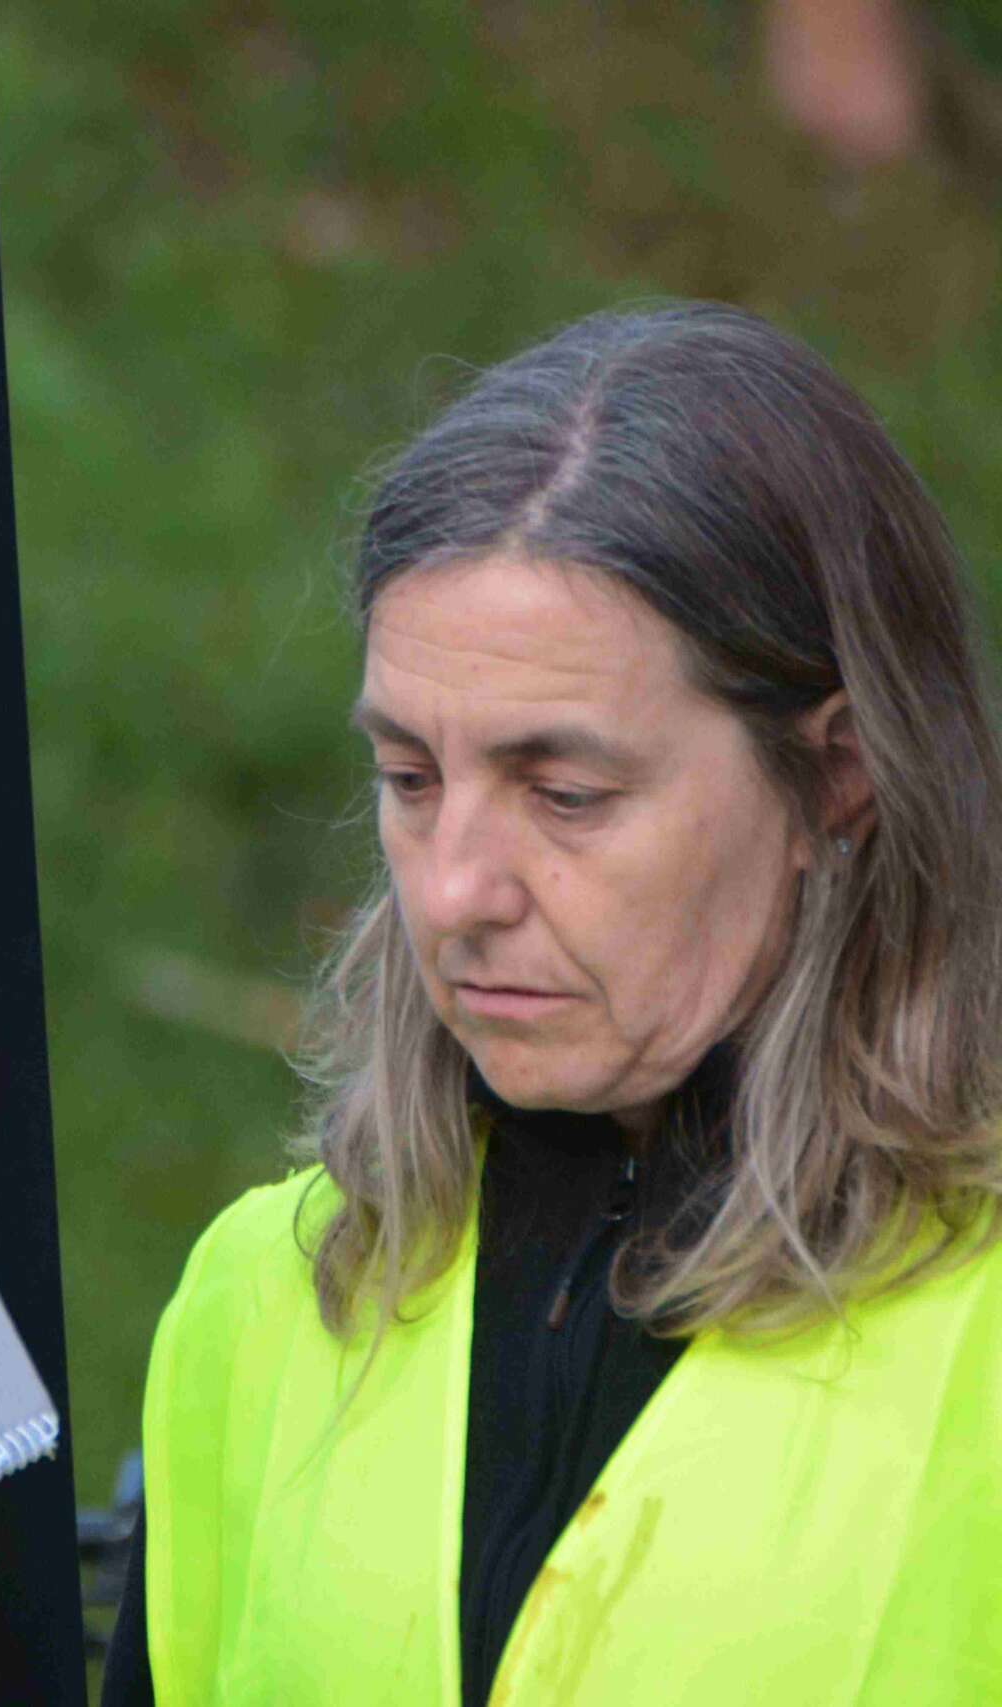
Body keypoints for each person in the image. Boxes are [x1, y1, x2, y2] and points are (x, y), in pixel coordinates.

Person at [103, 303, 1002, 1705]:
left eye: (566, 795)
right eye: (410, 779)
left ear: (838, 782)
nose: (453, 888)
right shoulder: (263, 1292)